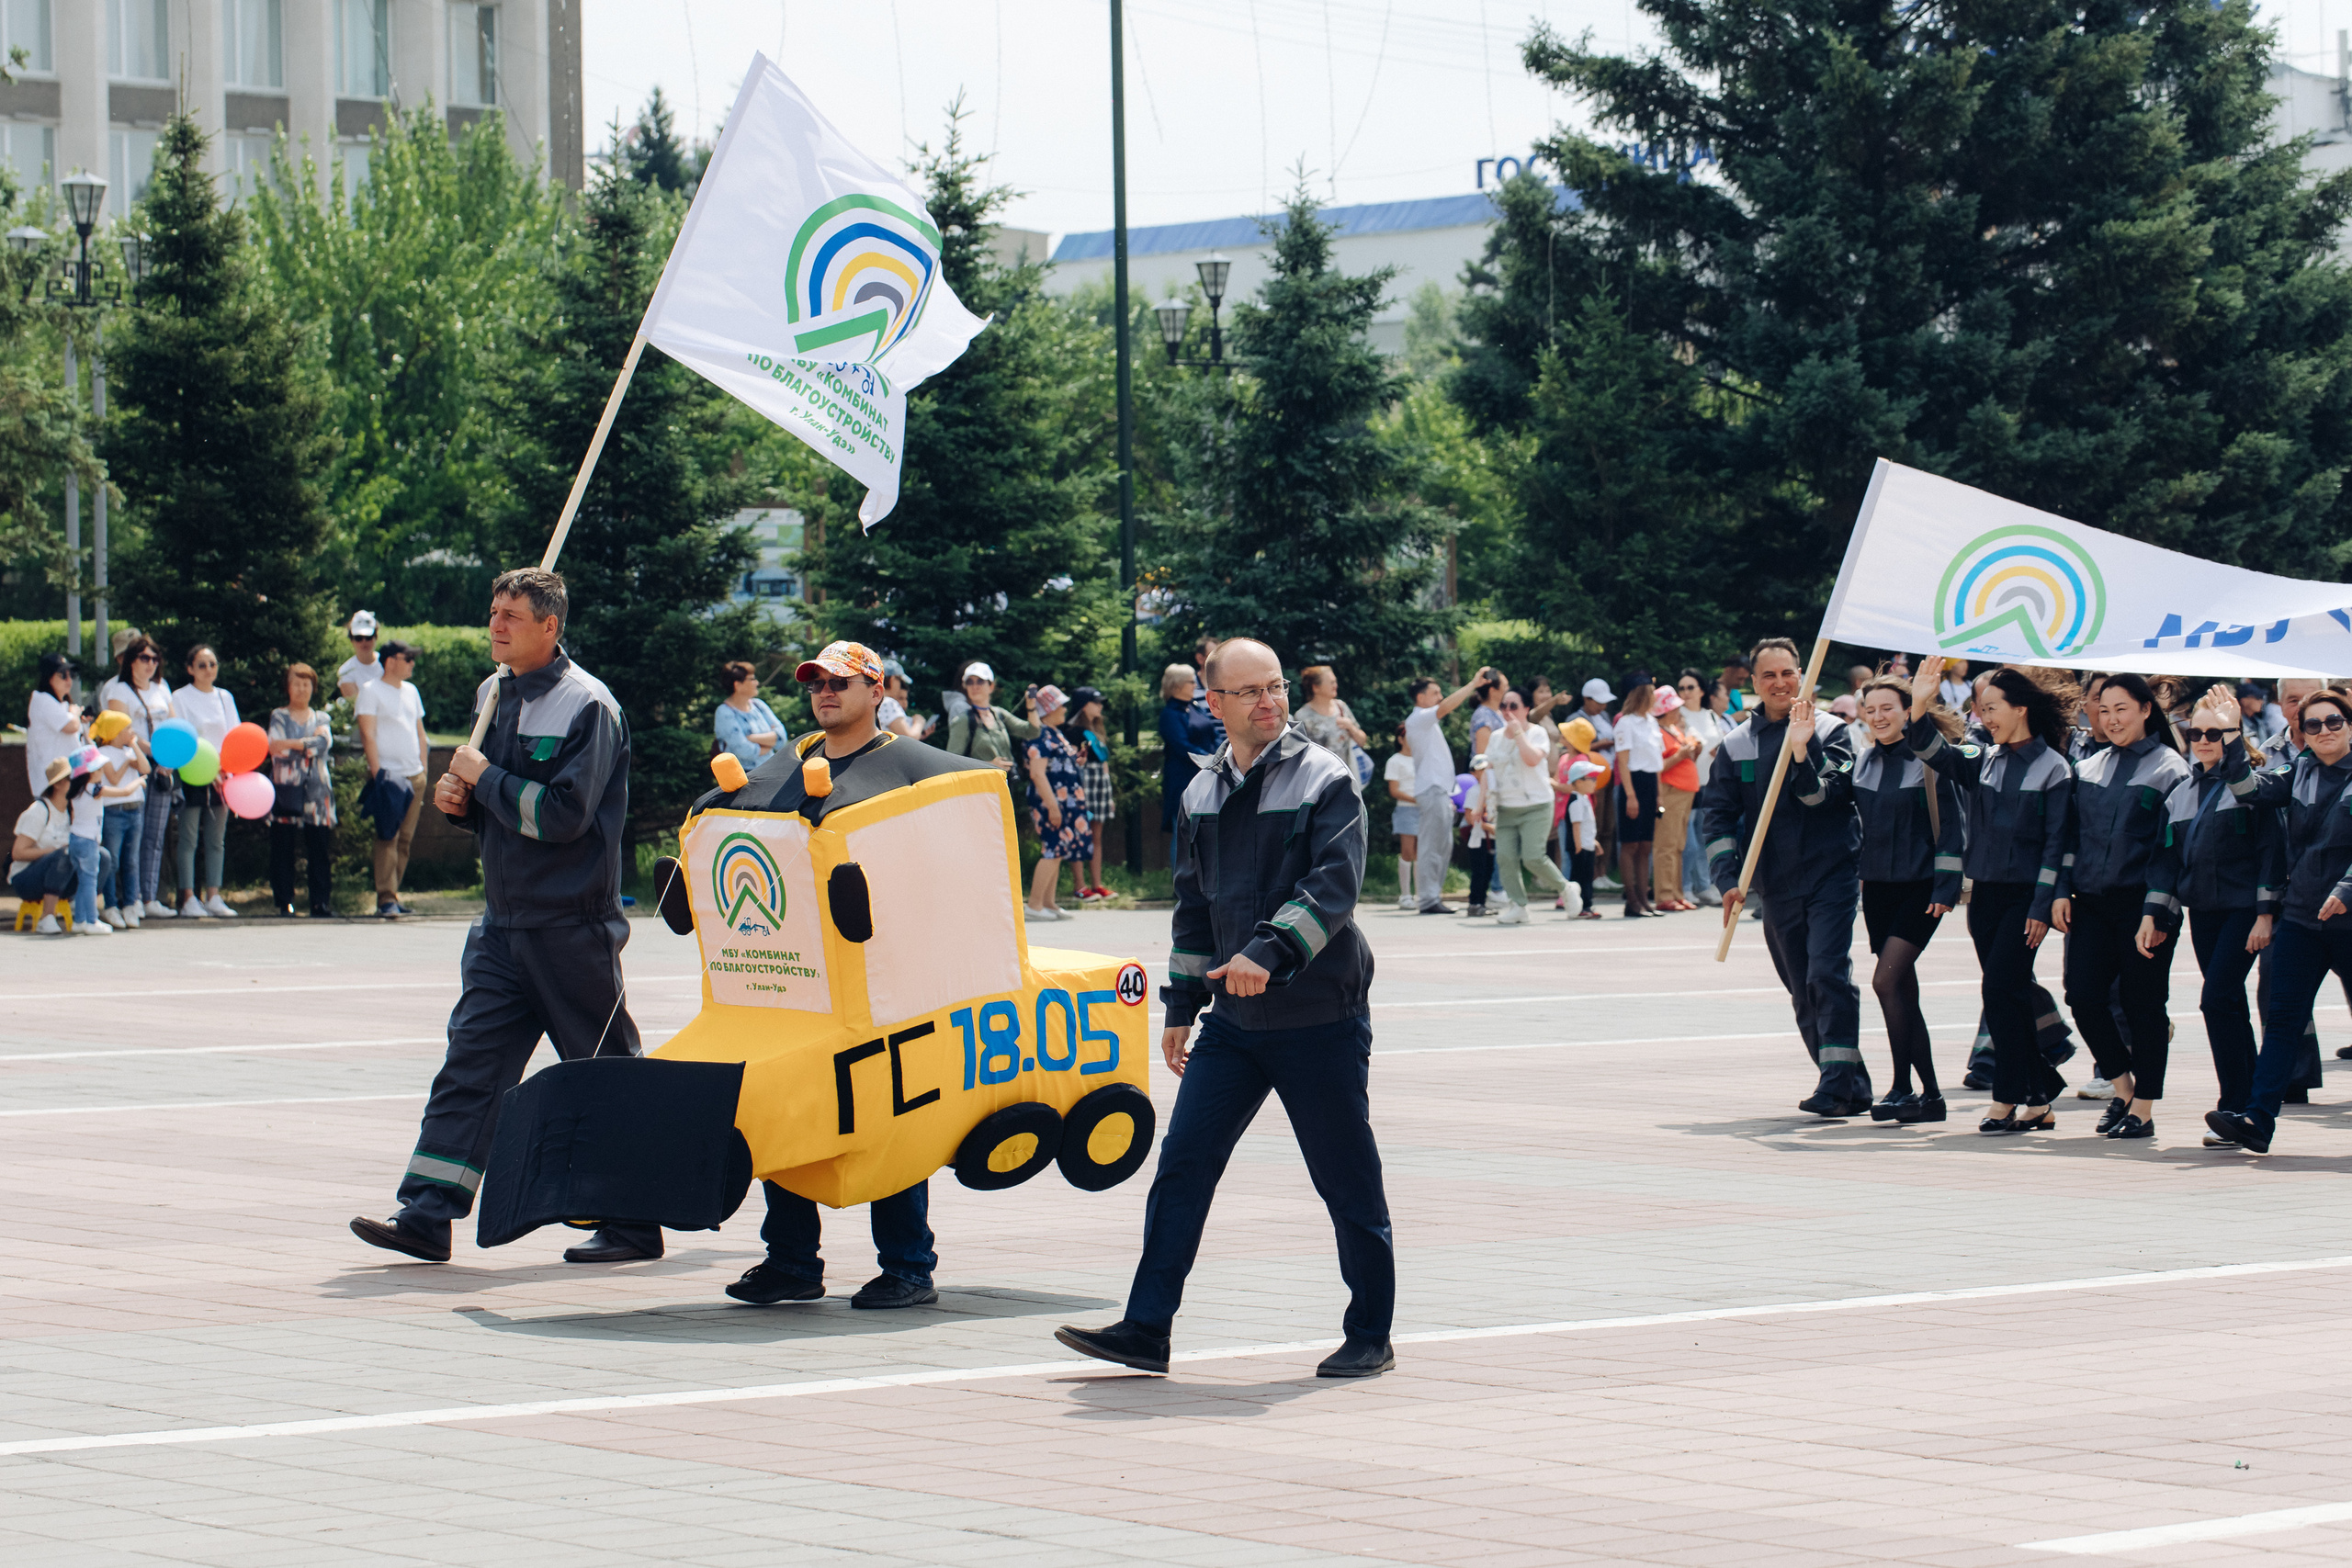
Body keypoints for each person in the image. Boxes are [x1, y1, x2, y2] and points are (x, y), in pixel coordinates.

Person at [1056, 637, 1393, 1380]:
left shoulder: (1325, 778)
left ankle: (1371, 1332)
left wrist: (1267, 953)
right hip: (1233, 1026)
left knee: (1344, 1175)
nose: (1270, 701)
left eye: (1274, 687)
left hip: (1318, 1016)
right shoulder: (1200, 791)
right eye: (1250, 691)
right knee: (1182, 1165)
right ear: (1214, 703)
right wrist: (1180, 1004)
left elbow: (1333, 887)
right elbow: (1193, 908)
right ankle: (1146, 1328)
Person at [352, 569, 655, 1267]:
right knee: (471, 1066)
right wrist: (464, 805)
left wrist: (483, 780)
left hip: (571, 927)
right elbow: (499, 808)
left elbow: (564, 817)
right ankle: (428, 1212)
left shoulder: (590, 705)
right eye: (494, 611)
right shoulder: (493, 692)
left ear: (550, 626)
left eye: (512, 614)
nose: (496, 624)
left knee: (601, 1072)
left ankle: (636, 1217)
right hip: (501, 926)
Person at [716, 638, 997, 1310]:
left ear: (877, 691)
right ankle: (791, 1260)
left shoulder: (906, 759)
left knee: (891, 1114)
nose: (824, 692)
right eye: (816, 682)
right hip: (798, 977)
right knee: (786, 1108)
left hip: (890, 980)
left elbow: (976, 811)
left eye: (841, 682)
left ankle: (907, 1265)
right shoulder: (792, 759)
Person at [1906, 662, 2079, 1134]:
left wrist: (2042, 905)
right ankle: (2040, 1094)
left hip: (2026, 897)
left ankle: (2006, 1097)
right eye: (1980, 710)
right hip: (1984, 896)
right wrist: (1920, 701)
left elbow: (2056, 842)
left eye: (1992, 709)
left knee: (1999, 989)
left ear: (2021, 708)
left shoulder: (2054, 767)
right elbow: (1929, 749)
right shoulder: (1983, 758)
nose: (1984, 719)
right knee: (2011, 994)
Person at [1701, 638, 1871, 1115]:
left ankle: (1836, 1085)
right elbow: (1717, 818)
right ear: (1753, 684)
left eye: (1788, 673)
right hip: (1775, 883)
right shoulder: (1737, 745)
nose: (1780, 683)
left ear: (1803, 675)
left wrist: (1803, 750)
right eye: (1768, 676)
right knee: (1801, 985)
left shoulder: (1834, 731)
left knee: (1826, 973)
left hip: (1832, 875)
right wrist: (1726, 878)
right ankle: (1846, 1080)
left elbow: (1829, 799)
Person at [2205, 685, 2352, 1156]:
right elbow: (2248, 789)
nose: (2324, 731)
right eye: (2313, 724)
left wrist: (2346, 890)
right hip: (2303, 922)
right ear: (2301, 733)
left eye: (2334, 722)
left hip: (2350, 922)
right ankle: (2256, 1119)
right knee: (2283, 1020)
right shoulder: (2298, 769)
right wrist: (2230, 733)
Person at [2052, 673, 2192, 1141]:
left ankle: (2145, 1109)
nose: (2110, 719)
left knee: (2143, 1005)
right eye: (2103, 709)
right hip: (2091, 903)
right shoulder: (2089, 768)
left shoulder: (2170, 768)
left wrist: (2157, 912)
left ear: (2146, 710)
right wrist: (2060, 891)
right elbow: (2071, 840)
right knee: (2083, 996)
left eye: (2122, 709)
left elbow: (2171, 850)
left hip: (2145, 907)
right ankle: (2124, 1088)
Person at [2142, 691, 2279, 1146]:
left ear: (2233, 735)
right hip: (2203, 912)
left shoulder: (2253, 785)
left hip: (2243, 910)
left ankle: (2237, 1104)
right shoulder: (2181, 793)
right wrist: (2154, 913)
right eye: (2195, 732)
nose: (2202, 740)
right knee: (2228, 1003)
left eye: (2214, 732)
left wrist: (2264, 914)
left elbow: (2269, 853)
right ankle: (2241, 1105)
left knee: (2216, 998)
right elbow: (2165, 860)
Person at [1851, 676, 1965, 1123]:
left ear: (1906, 711)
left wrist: (1946, 887)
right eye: (1870, 709)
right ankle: (1930, 1096)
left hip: (1922, 888)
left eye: (1888, 708)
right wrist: (1801, 751)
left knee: (1885, 981)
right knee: (1901, 989)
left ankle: (1901, 1086)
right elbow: (1816, 799)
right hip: (1877, 888)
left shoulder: (1931, 761)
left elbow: (1953, 827)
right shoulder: (1860, 762)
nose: (1878, 717)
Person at [1404, 667, 1498, 914]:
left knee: (1441, 846)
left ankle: (1432, 897)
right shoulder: (1418, 718)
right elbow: (1445, 707)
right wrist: (1473, 684)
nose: (1439, 697)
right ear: (1420, 698)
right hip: (1432, 790)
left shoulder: (1426, 722)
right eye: (1435, 693)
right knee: (1431, 847)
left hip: (1440, 791)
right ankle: (1428, 899)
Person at [100, 636, 175, 920]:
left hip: (163, 767)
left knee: (155, 837)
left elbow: (174, 725)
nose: (150, 664)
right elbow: (124, 732)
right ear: (130, 661)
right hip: (133, 765)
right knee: (131, 839)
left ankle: (149, 896)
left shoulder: (162, 687)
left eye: (155, 659)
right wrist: (155, 752)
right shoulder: (118, 690)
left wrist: (170, 759)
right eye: (144, 658)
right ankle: (125, 900)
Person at [1482, 687, 1570, 924]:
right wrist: (1478, 806)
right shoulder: (1495, 737)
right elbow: (1487, 773)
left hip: (1536, 805)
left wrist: (1519, 733)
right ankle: (1518, 905)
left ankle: (1566, 888)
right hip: (1506, 807)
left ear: (1526, 709)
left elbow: (1532, 760)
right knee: (1505, 858)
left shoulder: (1538, 733)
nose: (1508, 711)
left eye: (1513, 706)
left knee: (1533, 857)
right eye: (1504, 706)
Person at [356, 639, 429, 919]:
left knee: (406, 840)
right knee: (388, 836)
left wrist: (423, 768)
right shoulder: (371, 691)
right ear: (390, 661)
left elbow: (420, 732)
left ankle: (394, 895)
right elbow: (367, 734)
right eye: (407, 658)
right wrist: (378, 774)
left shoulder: (412, 691)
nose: (412, 664)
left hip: (415, 776)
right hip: (389, 776)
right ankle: (385, 898)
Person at [171, 645, 239, 919]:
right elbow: (184, 737)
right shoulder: (180, 697)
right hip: (193, 773)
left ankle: (214, 896)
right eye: (202, 665)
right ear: (190, 669)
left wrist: (225, 770)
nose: (208, 670)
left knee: (216, 840)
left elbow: (234, 735)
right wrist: (206, 770)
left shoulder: (224, 697)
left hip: (222, 776)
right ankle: (188, 897)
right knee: (188, 837)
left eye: (212, 664)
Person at [267, 662, 336, 919]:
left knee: (319, 849)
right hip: (286, 790)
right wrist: (307, 744)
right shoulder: (279, 716)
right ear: (288, 687)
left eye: (306, 683)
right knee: (282, 847)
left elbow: (323, 744)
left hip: (317, 794)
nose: (301, 688)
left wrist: (296, 744)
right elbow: (275, 747)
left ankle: (320, 903)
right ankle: (284, 901)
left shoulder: (321, 718)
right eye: (296, 683)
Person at [1020, 683, 1091, 922]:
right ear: (1048, 709)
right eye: (1060, 704)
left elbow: (1057, 764)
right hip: (1050, 801)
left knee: (1058, 850)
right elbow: (1038, 774)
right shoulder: (1039, 732)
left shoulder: (1053, 731)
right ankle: (1034, 904)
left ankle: (1047, 903)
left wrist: (1076, 760)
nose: (1064, 708)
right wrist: (1052, 806)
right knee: (1052, 849)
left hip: (1064, 801)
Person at [1675, 672, 1731, 907]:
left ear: (1701, 690)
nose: (1685, 692)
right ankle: (1685, 886)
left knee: (1704, 835)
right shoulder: (1679, 715)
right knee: (1688, 839)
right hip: (1687, 783)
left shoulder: (1710, 715)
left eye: (1690, 687)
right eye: (1681, 688)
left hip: (1710, 782)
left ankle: (1704, 885)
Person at [63, 749, 131, 938]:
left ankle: (80, 921)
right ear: (91, 772)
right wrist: (138, 782)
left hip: (76, 839)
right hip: (88, 841)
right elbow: (124, 791)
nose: (102, 772)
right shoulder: (94, 789)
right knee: (89, 883)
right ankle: (92, 921)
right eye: (99, 769)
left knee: (83, 882)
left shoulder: (77, 790)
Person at [90, 710, 148, 928]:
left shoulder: (128, 750)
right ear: (115, 732)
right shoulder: (102, 753)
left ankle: (131, 904)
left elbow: (146, 768)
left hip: (135, 809)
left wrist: (133, 747)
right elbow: (113, 780)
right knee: (112, 860)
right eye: (128, 729)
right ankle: (111, 905)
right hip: (115, 810)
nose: (132, 732)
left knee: (131, 861)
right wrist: (126, 762)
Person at [1613, 678, 1664, 918]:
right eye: (1651, 692)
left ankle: (1644, 899)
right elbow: (1623, 761)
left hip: (1650, 783)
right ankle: (1631, 899)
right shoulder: (1625, 723)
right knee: (1630, 843)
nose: (1655, 697)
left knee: (1645, 845)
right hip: (1632, 782)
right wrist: (1631, 796)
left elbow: (1657, 763)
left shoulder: (1652, 723)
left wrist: (1659, 796)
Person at [1652, 688, 1703, 912]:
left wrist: (1694, 750)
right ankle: (1664, 894)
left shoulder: (1672, 729)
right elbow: (1657, 767)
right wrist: (1681, 754)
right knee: (1667, 844)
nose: (1678, 710)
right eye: (1674, 707)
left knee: (1679, 845)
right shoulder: (1657, 733)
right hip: (1670, 791)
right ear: (1666, 710)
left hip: (1683, 792)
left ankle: (1676, 893)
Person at [10, 758, 74, 932]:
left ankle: (85, 915)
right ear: (59, 784)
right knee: (62, 856)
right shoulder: (39, 810)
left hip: (59, 877)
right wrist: (52, 852)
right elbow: (18, 853)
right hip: (26, 878)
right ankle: (47, 918)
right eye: (72, 778)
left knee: (101, 856)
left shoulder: (72, 810)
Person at [944, 661, 1039, 774]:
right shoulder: (963, 720)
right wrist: (989, 765)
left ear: (991, 686)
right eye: (970, 682)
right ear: (965, 687)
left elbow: (1032, 731)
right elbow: (951, 763)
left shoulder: (999, 714)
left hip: (1004, 786)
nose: (975, 686)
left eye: (980, 681)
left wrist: (1031, 707)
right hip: (981, 788)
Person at [1066, 686, 1115, 902]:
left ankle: (1097, 885)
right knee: (1078, 835)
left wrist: (1110, 795)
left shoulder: (1098, 729)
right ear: (1084, 705)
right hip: (1083, 783)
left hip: (1100, 785)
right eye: (1096, 702)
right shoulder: (1072, 731)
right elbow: (1073, 761)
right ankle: (1080, 886)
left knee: (1096, 836)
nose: (1100, 706)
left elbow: (1104, 763)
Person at [1159, 663, 1216, 835]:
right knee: (1183, 834)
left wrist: (1220, 755)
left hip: (1207, 775)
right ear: (1177, 685)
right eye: (1191, 682)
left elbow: (1213, 733)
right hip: (1183, 780)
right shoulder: (1170, 714)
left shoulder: (1195, 706)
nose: (1195, 686)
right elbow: (1182, 746)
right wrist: (1209, 759)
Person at [27, 652, 83, 796]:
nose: (68, 680)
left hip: (68, 781)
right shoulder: (42, 699)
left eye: (71, 675)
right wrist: (75, 714)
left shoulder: (61, 704)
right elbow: (71, 727)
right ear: (48, 676)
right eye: (63, 675)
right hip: (50, 785)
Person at [714, 660, 786, 771]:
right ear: (737, 685)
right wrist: (769, 743)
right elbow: (744, 750)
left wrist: (751, 738)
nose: (756, 682)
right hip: (744, 778)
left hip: (771, 771)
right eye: (752, 679)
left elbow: (782, 738)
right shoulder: (724, 712)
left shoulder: (759, 705)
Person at [1295, 664, 1371, 767]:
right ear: (1316, 688)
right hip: (1320, 777)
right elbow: (1299, 756)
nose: (1336, 685)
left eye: (1335, 681)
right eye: (1331, 682)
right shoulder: (1302, 716)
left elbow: (1362, 741)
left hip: (1347, 775)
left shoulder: (1341, 707)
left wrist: (1351, 727)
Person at [1560, 756, 1604, 917]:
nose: (1594, 782)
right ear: (1578, 781)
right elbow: (1576, 825)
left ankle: (1587, 906)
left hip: (1587, 845)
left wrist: (1593, 842)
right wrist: (1579, 846)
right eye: (1591, 778)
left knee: (1587, 877)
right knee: (1580, 878)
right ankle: (1580, 907)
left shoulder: (1584, 799)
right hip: (1581, 848)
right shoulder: (1576, 801)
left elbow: (1586, 826)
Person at [1385, 724, 1419, 909]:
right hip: (1406, 810)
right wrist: (1415, 799)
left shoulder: (1422, 759)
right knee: (1407, 852)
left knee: (1422, 853)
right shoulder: (1395, 761)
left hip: (1424, 810)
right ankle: (1405, 895)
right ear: (1401, 739)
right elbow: (1394, 790)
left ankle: (1422, 894)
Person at [337, 611, 383, 702]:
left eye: (368, 637)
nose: (364, 642)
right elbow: (357, 705)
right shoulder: (346, 671)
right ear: (352, 640)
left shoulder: (388, 664)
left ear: (375, 637)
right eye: (358, 638)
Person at [877, 659, 927, 739]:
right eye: (900, 681)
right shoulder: (888, 703)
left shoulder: (875, 701)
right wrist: (919, 722)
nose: (900, 686)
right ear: (892, 680)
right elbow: (908, 739)